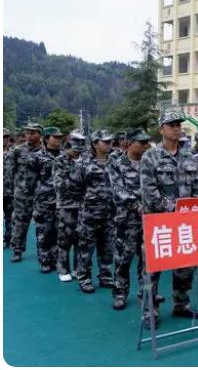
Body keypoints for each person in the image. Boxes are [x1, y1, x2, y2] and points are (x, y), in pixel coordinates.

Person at [140, 109, 198, 329]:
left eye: (179, 124)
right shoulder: (150, 157)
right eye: (172, 124)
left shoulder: (189, 156)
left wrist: (195, 207)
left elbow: (197, 186)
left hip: (185, 223)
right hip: (159, 222)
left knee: (185, 265)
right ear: (161, 130)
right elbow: (149, 191)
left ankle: (181, 304)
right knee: (152, 268)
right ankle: (150, 311)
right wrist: (174, 209)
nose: (177, 128)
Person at [108, 129, 152, 310]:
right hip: (126, 220)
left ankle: (146, 293)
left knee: (147, 259)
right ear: (130, 142)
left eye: (146, 143)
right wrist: (138, 206)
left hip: (149, 219)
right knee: (123, 258)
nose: (145, 146)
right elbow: (118, 190)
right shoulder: (117, 163)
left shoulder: (149, 162)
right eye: (141, 143)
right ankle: (120, 293)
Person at [72, 130, 116, 293]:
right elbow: (75, 186)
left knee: (107, 246)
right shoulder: (83, 162)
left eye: (110, 141)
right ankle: (84, 277)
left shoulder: (115, 161)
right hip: (90, 213)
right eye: (105, 142)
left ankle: (105, 276)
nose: (109, 144)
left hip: (110, 212)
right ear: (95, 143)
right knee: (86, 247)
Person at [53, 130, 87, 281]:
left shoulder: (85, 160)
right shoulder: (60, 161)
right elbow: (60, 185)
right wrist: (77, 177)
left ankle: (77, 268)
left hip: (83, 205)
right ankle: (63, 269)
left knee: (80, 238)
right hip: (66, 205)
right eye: (75, 150)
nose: (77, 154)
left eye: (80, 151)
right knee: (64, 238)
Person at [9, 123, 43, 263]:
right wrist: (12, 190)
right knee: (19, 223)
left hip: (40, 194)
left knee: (42, 225)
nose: (29, 135)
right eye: (27, 132)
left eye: (33, 133)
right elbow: (11, 171)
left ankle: (43, 252)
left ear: (39, 135)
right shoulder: (18, 150)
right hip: (21, 194)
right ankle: (17, 250)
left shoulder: (44, 152)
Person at [32, 127, 64, 273]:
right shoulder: (37, 156)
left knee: (59, 232)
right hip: (44, 200)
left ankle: (56, 260)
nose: (58, 139)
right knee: (44, 231)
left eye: (59, 137)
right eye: (55, 137)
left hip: (62, 200)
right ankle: (44, 261)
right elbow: (30, 180)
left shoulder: (65, 155)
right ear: (46, 139)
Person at [3, 129, 14, 249]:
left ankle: (9, 239)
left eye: (6, 137)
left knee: (9, 217)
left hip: (9, 191)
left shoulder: (12, 154)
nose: (4, 139)